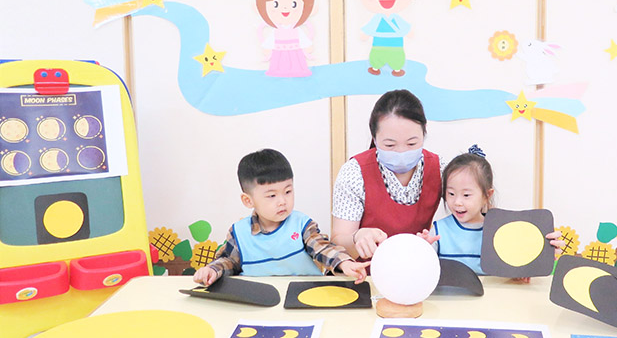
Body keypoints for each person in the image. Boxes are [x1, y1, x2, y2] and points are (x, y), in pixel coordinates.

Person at [194, 149, 368, 285]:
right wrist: (212, 270)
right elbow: (228, 261)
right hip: (258, 302)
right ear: (248, 200)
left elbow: (323, 248)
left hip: (303, 296)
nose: (282, 201)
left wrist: (344, 263)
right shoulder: (239, 233)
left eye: (288, 191)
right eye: (272, 195)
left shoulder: (302, 225)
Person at [418, 145, 564, 280]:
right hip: (452, 297)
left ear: (487, 195)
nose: (457, 202)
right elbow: (422, 270)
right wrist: (423, 249)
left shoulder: (502, 231)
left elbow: (512, 271)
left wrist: (535, 259)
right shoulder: (438, 231)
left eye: (466, 195)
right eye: (451, 193)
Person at [331, 89, 442, 260]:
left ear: (424, 132)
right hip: (365, 272)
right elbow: (338, 245)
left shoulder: (439, 169)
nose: (401, 152)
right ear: (374, 138)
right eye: (390, 145)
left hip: (416, 268)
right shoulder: (354, 173)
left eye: (412, 143)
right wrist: (357, 238)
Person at [256, 0, 315, 77]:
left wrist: (307, 46)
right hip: (279, 52)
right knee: (278, 65)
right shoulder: (276, 30)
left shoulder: (296, 29)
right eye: (275, 5)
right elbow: (270, 41)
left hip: (295, 51)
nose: (284, 9)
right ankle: (278, 71)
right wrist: (267, 48)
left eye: (294, 4)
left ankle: (298, 70)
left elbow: (303, 39)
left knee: (296, 63)